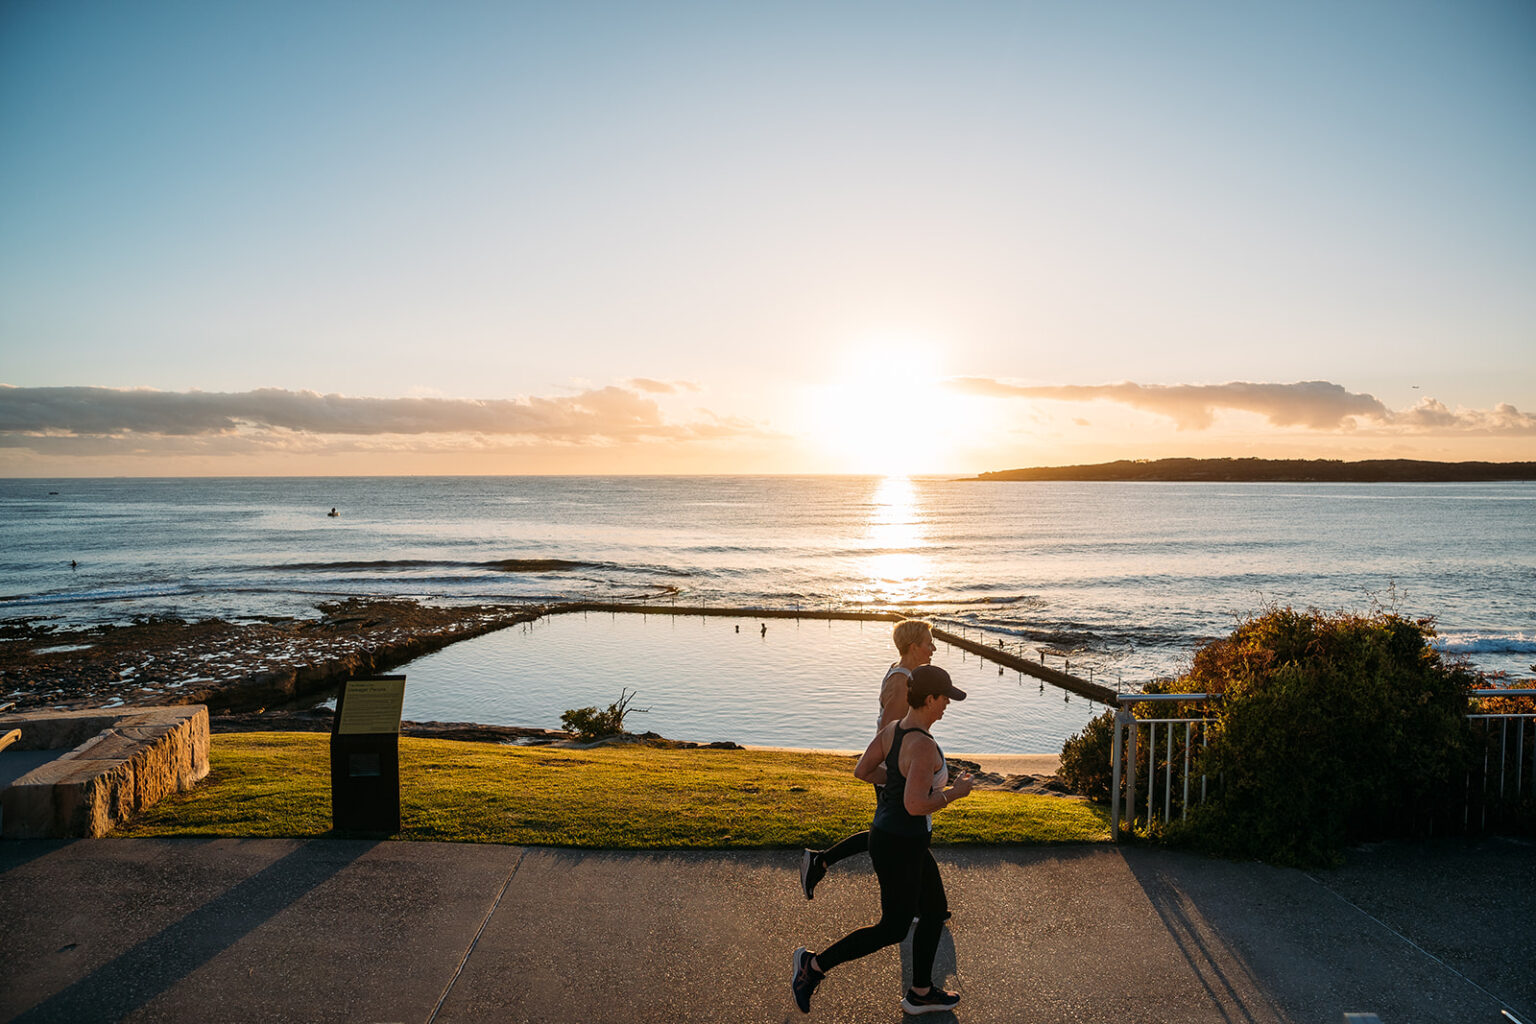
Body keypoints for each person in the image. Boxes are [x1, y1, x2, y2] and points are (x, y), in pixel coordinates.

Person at [791, 664, 974, 1015]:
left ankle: (921, 992)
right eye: (944, 699)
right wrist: (956, 793)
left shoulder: (893, 730)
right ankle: (812, 967)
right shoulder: (923, 746)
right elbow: (916, 804)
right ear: (930, 698)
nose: (947, 706)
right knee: (892, 928)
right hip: (903, 845)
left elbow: (863, 770)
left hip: (891, 837)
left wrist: (898, 780)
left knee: (934, 911)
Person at [799, 618, 935, 900]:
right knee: (897, 835)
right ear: (913, 647)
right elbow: (890, 732)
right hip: (894, 770)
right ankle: (822, 861)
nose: (933, 648)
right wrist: (902, 772)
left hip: (898, 767)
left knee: (904, 833)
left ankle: (931, 903)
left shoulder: (902, 673)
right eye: (928, 643)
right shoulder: (902, 684)